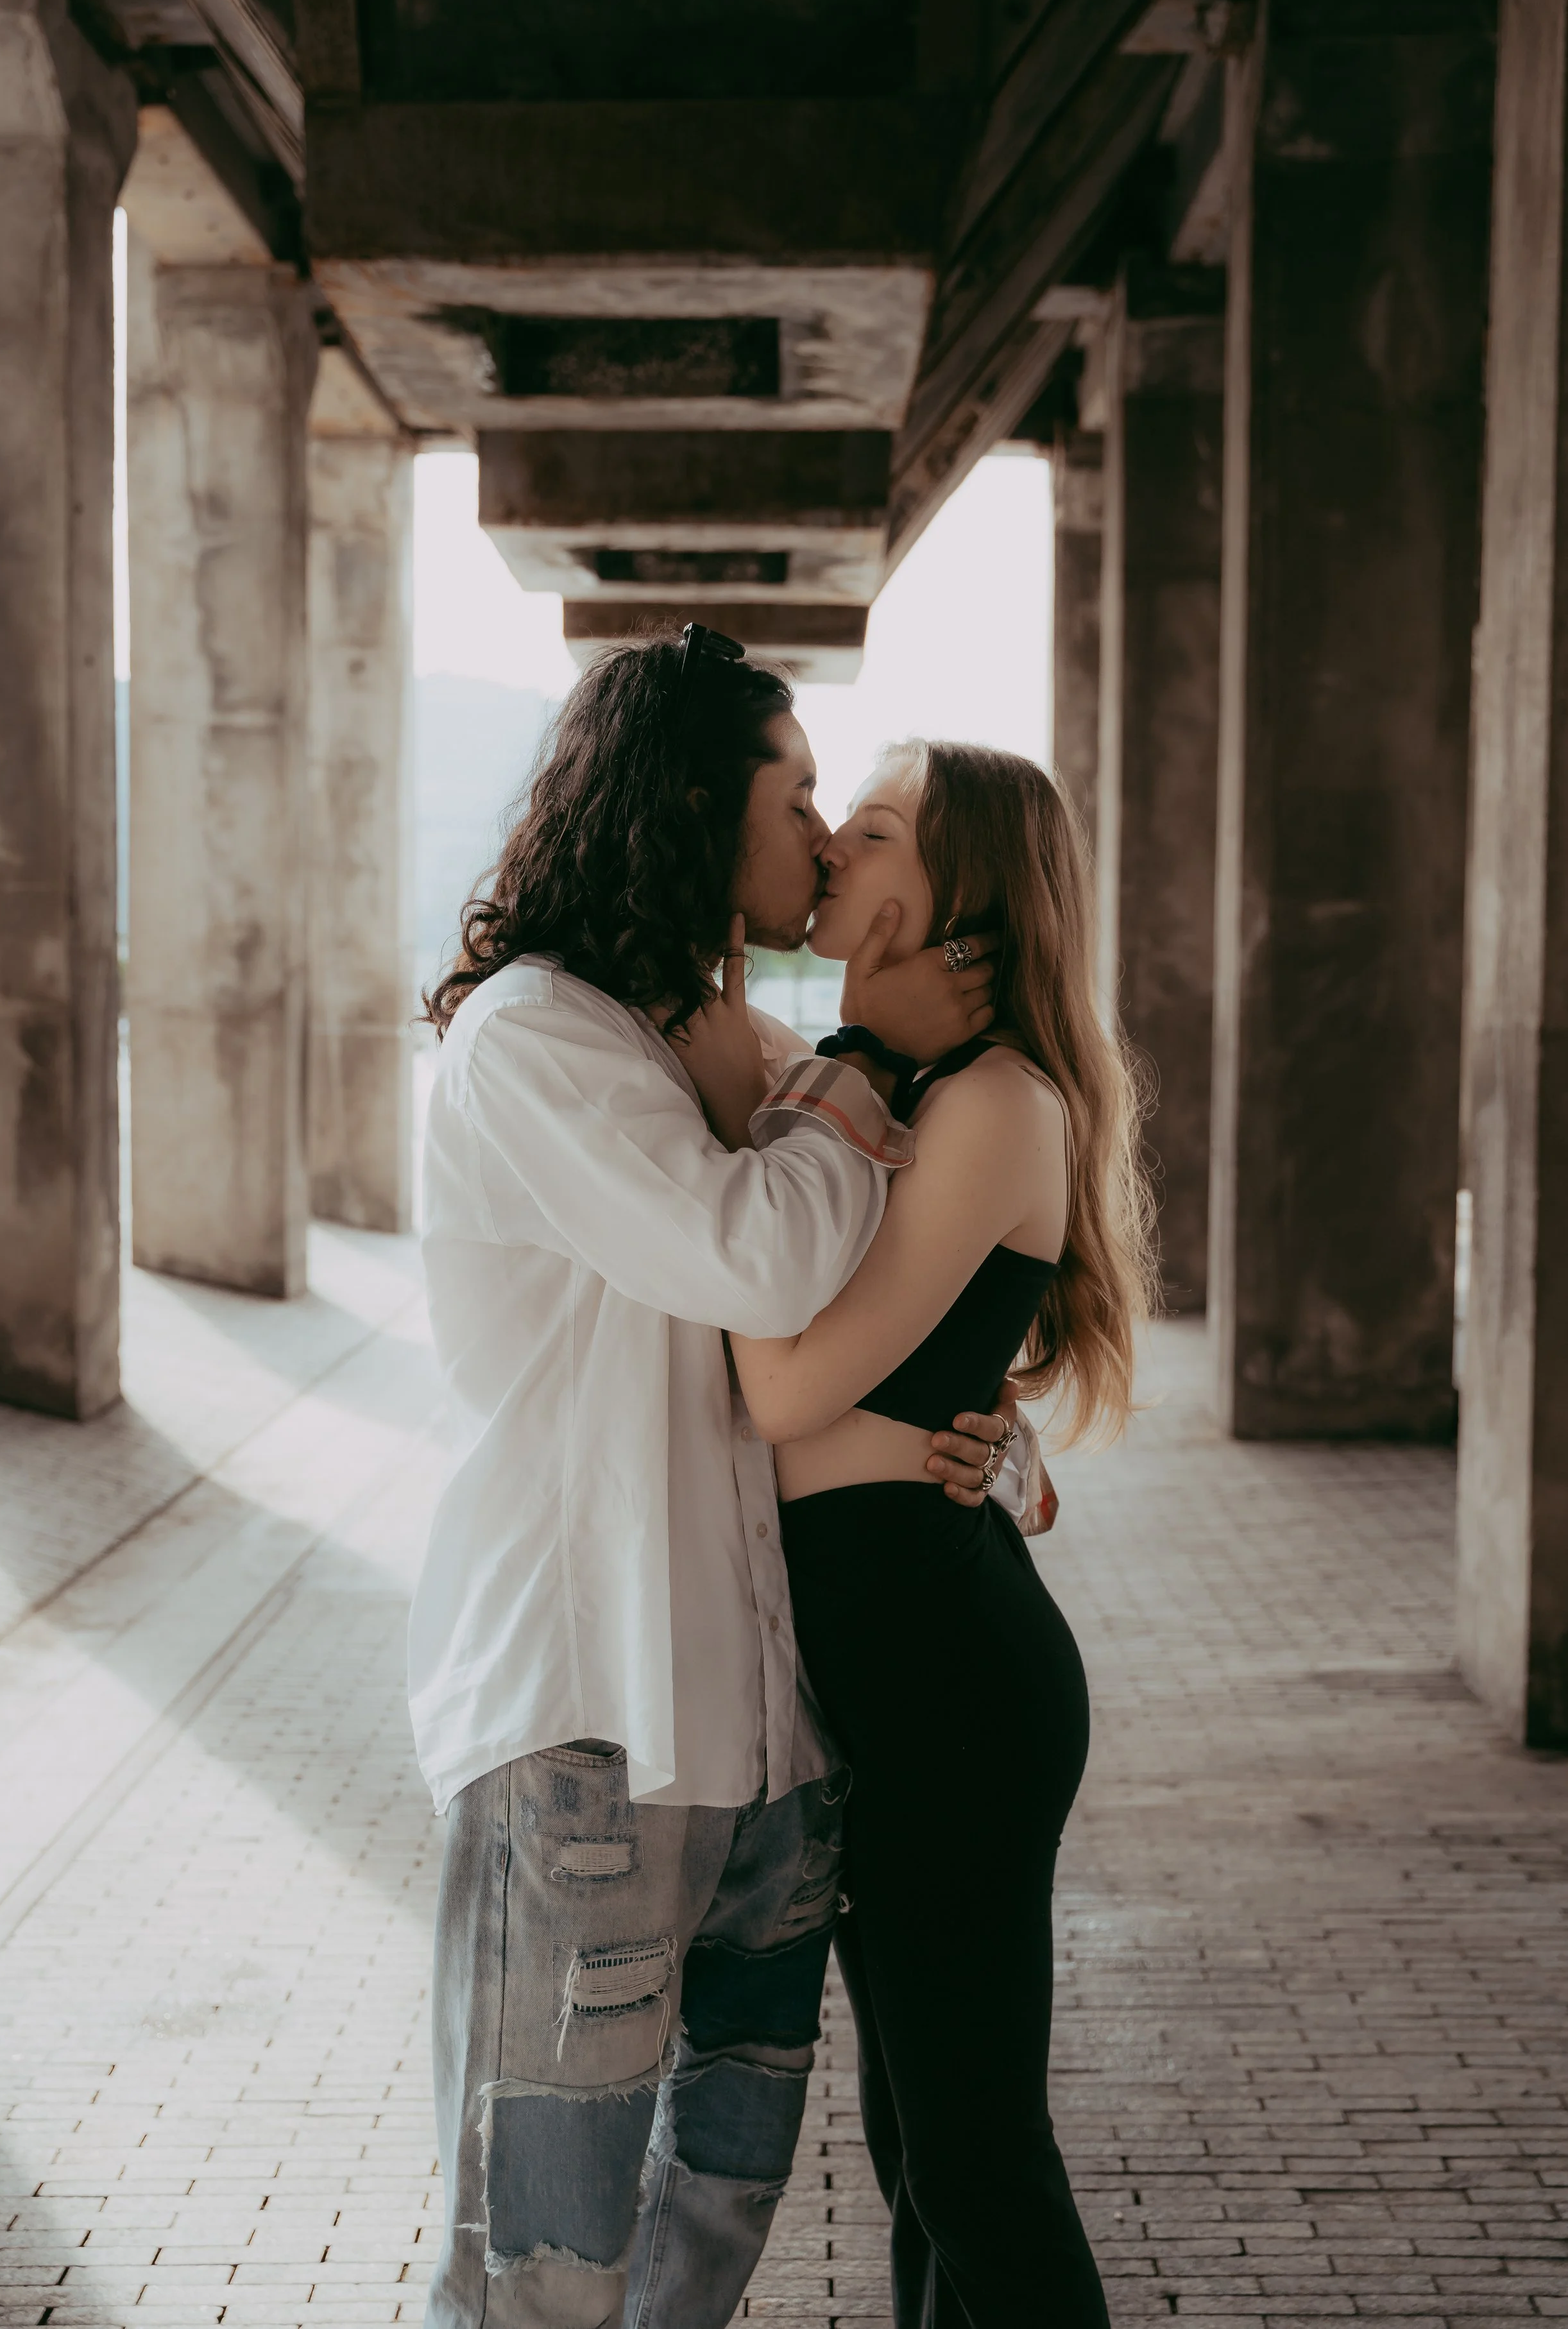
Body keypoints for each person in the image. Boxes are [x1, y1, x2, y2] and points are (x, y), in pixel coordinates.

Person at [411, 629, 1037, 2329]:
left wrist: (980, 1429)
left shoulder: (716, 1040)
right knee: (535, 2256)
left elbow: (870, 1315)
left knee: (715, 2213)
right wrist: (849, 1056)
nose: (824, 839)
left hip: (767, 1736)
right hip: (588, 1722)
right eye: (796, 794)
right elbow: (756, 1267)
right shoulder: (539, 1039)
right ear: (697, 806)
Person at [674, 738, 1154, 2329]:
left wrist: (764, 1175)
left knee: (971, 2162)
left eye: (865, 830)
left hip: (956, 1687)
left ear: (953, 905)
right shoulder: (894, 1087)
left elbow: (789, 1385)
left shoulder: (995, 1103)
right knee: (916, 2155)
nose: (826, 850)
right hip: (892, 1679)